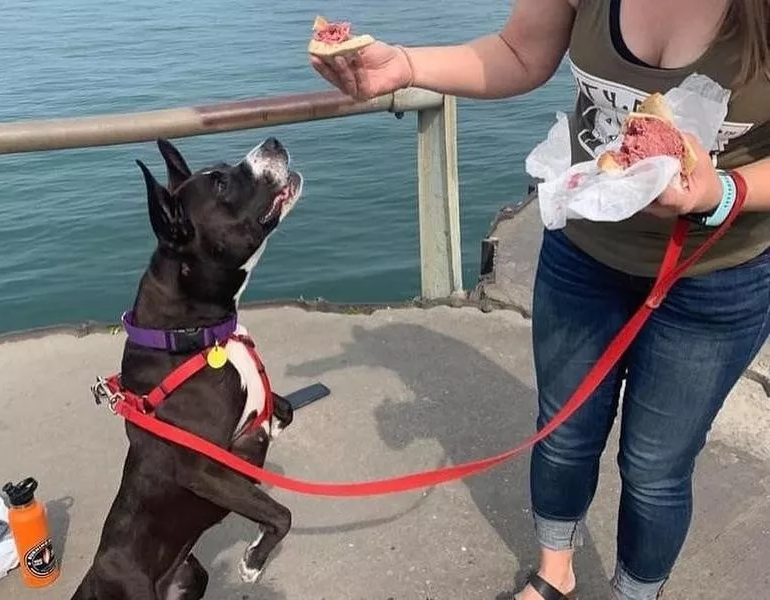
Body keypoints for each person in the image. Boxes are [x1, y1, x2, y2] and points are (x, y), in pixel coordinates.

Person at [309, 1, 770, 599]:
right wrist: (402, 65)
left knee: (656, 470)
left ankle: (636, 594)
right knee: (562, 433)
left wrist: (724, 189)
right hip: (583, 256)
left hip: (714, 277)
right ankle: (555, 573)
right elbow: (519, 52)